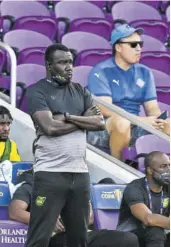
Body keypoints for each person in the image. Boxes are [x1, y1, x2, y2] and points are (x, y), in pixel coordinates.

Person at [25, 43, 105, 247]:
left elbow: (99, 123)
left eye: (70, 62)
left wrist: (67, 117)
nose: (69, 67)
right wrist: (80, 120)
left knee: (79, 239)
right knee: (39, 238)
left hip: (79, 175)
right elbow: (49, 127)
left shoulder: (80, 91)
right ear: (49, 66)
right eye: (62, 62)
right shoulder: (36, 91)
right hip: (50, 174)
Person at [88, 24, 170, 160]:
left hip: (135, 125)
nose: (138, 49)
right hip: (105, 127)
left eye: (140, 44)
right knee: (122, 123)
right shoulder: (101, 70)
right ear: (118, 47)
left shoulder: (145, 72)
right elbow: (106, 109)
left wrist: (160, 121)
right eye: (133, 44)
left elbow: (153, 108)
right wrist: (140, 120)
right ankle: (119, 170)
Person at [8, 169, 140, 247]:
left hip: (81, 233)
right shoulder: (32, 185)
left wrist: (82, 218)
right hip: (54, 237)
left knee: (130, 239)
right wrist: (50, 221)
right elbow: (15, 212)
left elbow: (90, 218)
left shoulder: (75, 184)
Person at [117, 151, 170, 247]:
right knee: (155, 230)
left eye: (169, 166)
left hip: (158, 236)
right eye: (163, 166)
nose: (168, 170)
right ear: (150, 170)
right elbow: (148, 219)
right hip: (131, 236)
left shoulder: (168, 188)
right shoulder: (134, 188)